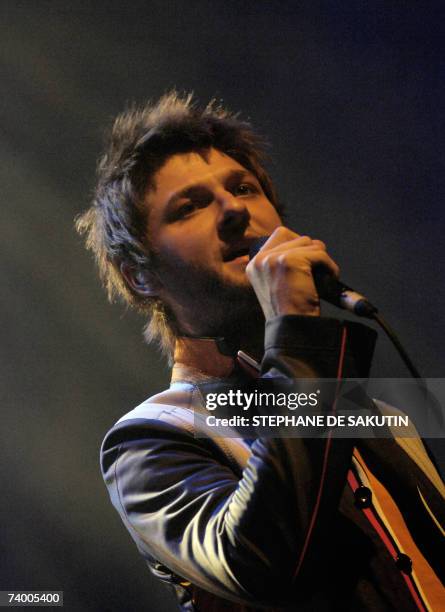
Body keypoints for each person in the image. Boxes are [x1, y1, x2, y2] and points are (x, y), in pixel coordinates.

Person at [76, 92, 444, 611]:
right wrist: (294, 328)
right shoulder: (148, 440)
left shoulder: (381, 413)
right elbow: (257, 564)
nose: (232, 209)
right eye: (190, 206)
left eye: (244, 188)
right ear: (141, 275)